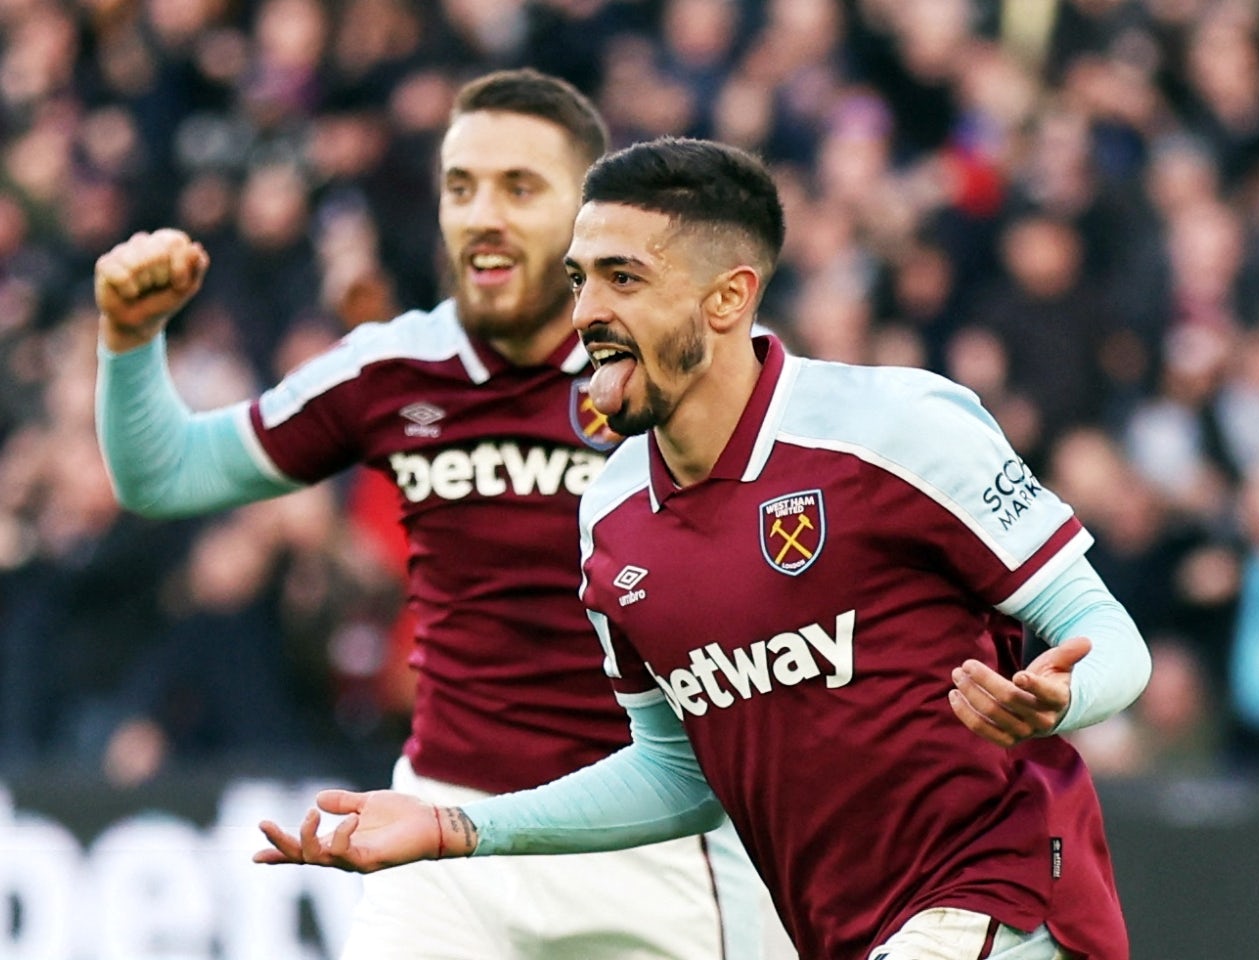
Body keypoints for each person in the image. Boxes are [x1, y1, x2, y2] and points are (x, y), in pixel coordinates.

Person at [254, 137, 1154, 960]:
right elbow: (679, 770)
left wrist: (1060, 696)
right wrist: (455, 827)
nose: (587, 314)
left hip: (998, 894)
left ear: (728, 297)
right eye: (578, 281)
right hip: (849, 932)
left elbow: (1106, 633)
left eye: (623, 280)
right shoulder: (611, 515)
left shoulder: (893, 427)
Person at [93, 73, 782, 960]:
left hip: (654, 835)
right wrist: (128, 340)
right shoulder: (393, 368)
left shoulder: (688, 368)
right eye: (462, 187)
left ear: (587, 220)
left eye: (519, 188)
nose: (482, 215)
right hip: (441, 826)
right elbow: (168, 476)